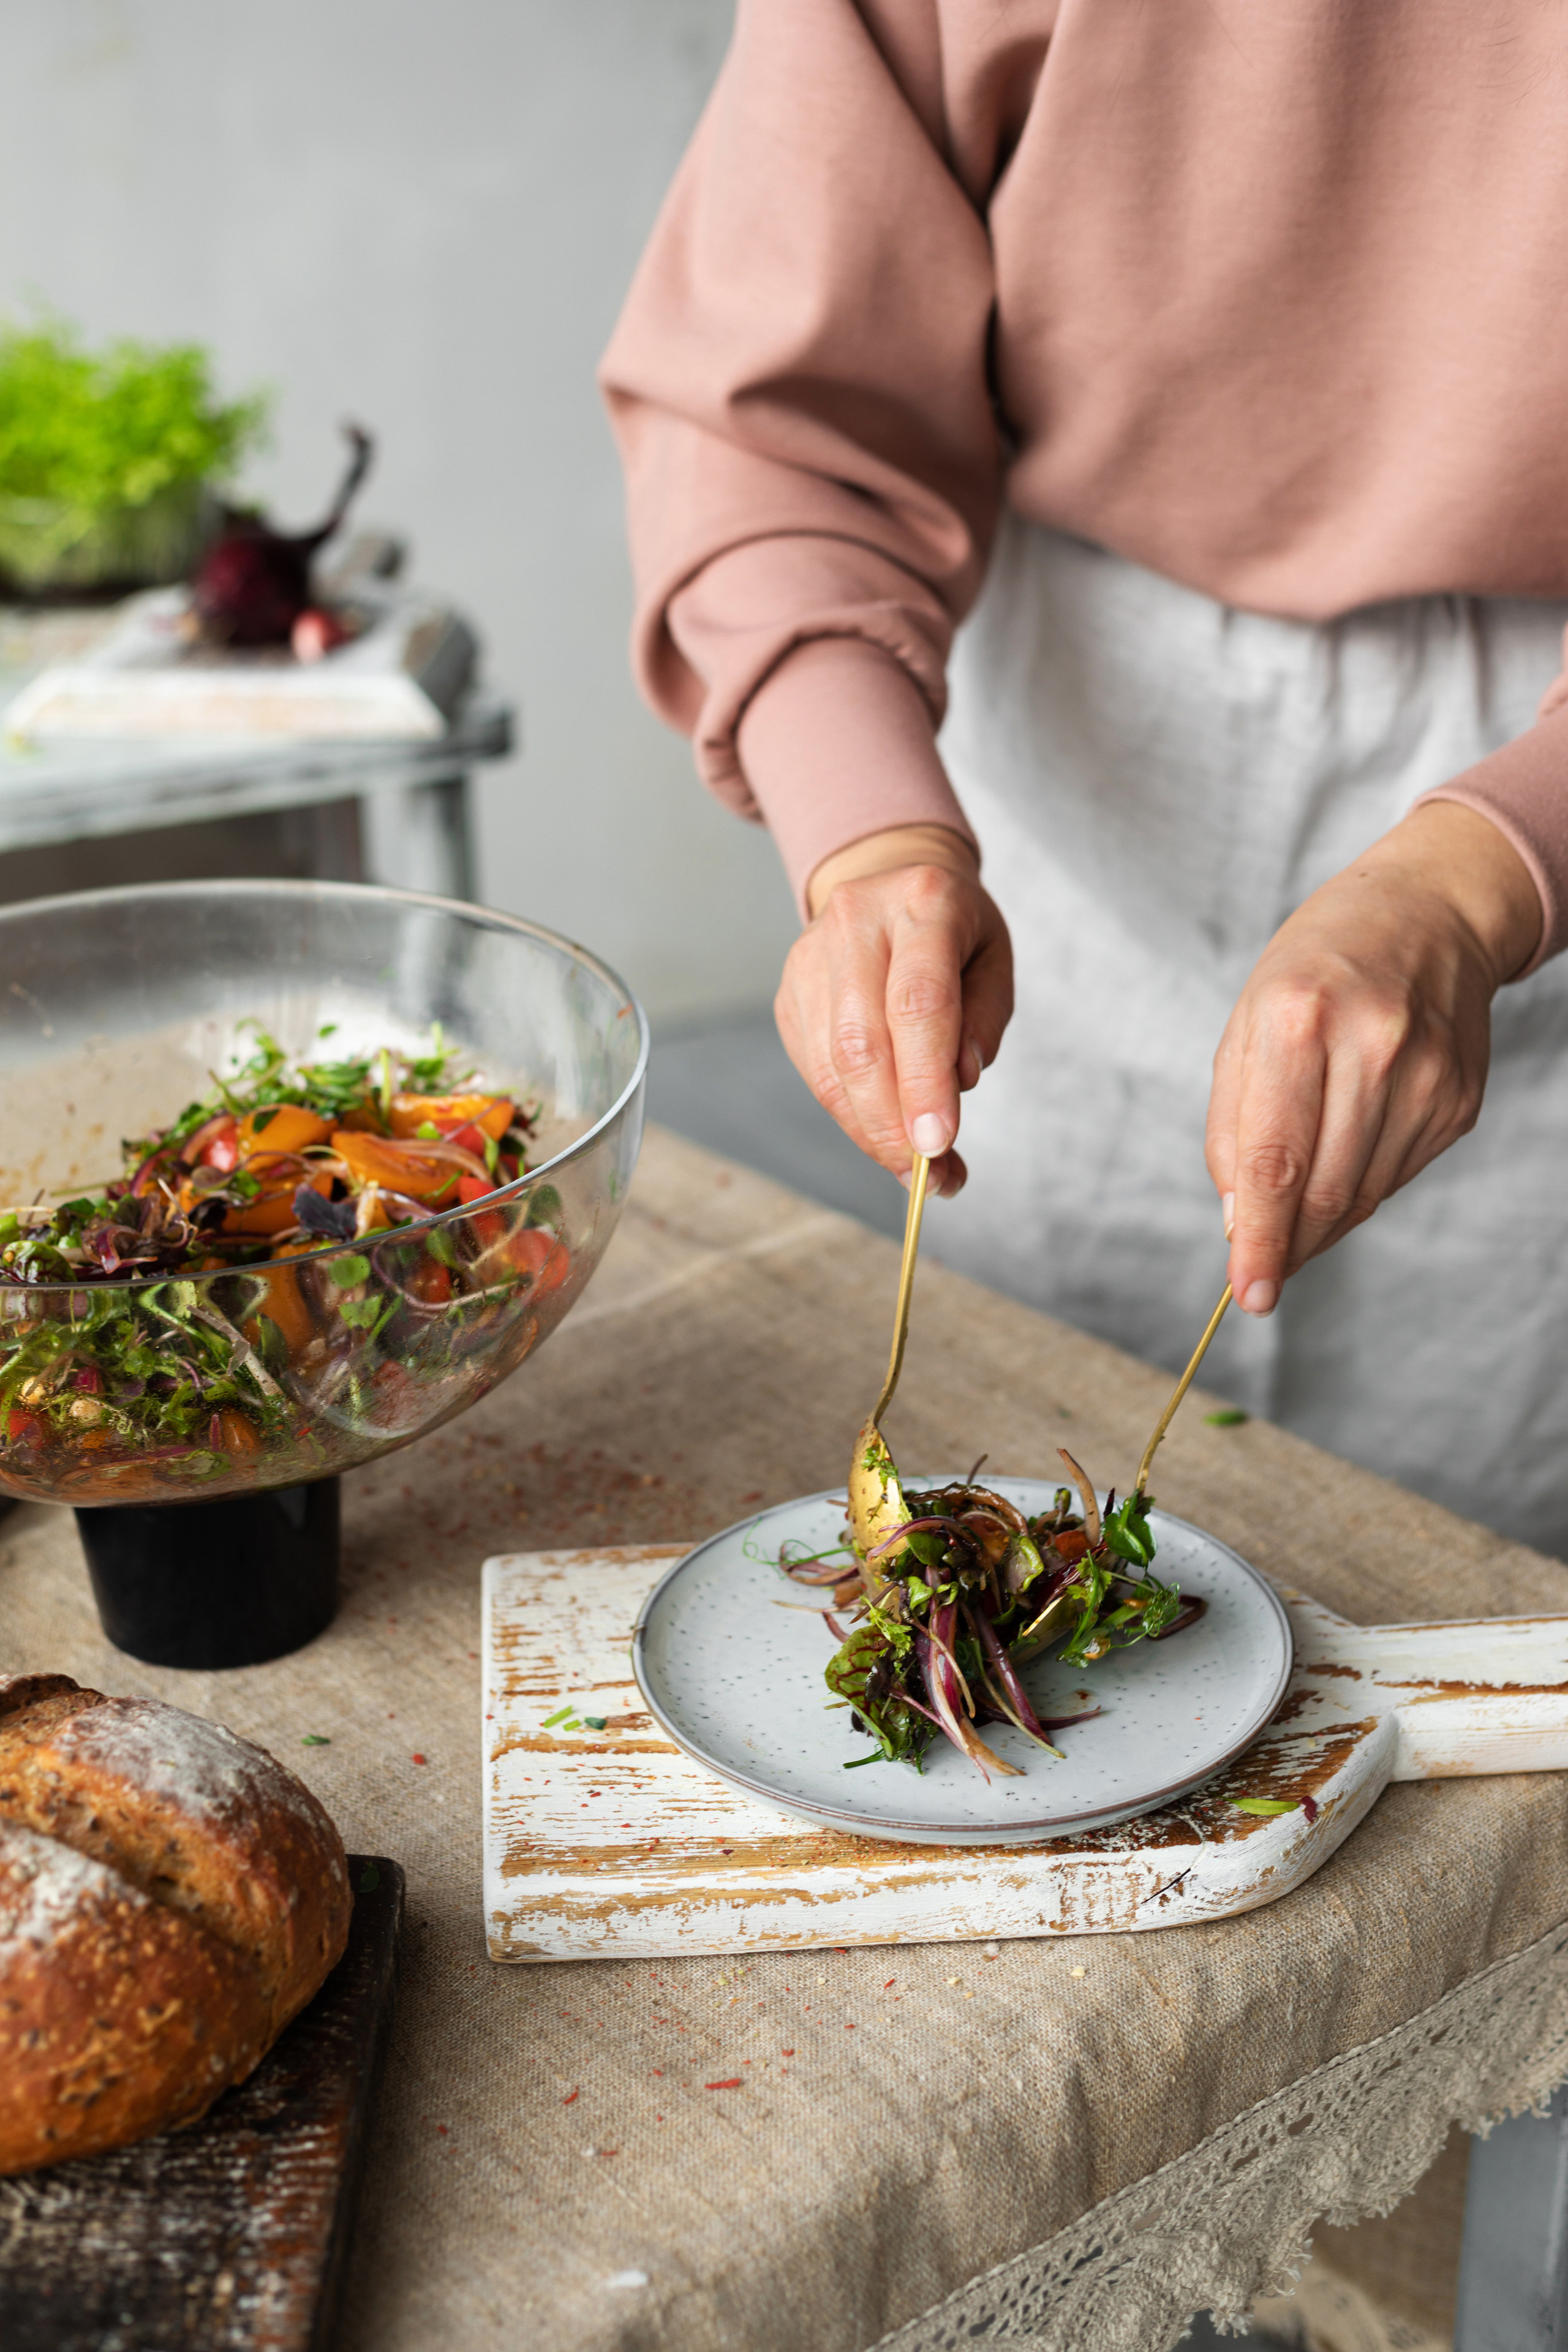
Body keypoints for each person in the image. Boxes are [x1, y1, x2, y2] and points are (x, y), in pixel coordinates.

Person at [601, 2, 1568, 1555]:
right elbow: (767, 422)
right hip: (1066, 726)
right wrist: (865, 839)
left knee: (1475, 1575)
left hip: (1538, 776)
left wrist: (1481, 874)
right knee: (1040, 1436)